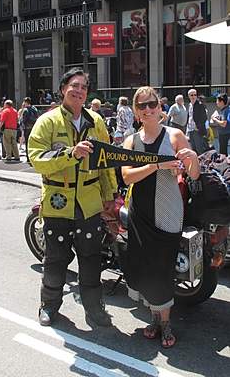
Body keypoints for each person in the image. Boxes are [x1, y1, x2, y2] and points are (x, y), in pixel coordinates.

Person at [28, 67, 118, 328]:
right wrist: (70, 153)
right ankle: (49, 306)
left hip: (89, 204)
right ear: (62, 90)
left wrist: (110, 195)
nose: (79, 91)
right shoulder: (48, 121)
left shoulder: (96, 122)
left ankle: (95, 310)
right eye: (74, 86)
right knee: (55, 261)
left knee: (91, 260)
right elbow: (36, 159)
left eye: (84, 87)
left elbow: (105, 162)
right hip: (58, 204)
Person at [121, 86, 200, 348]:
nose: (148, 109)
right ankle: (155, 319)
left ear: (160, 106)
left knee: (162, 268)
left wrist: (192, 159)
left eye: (152, 103)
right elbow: (126, 176)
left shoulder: (175, 135)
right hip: (140, 211)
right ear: (136, 111)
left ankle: (165, 323)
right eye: (142, 105)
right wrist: (156, 164)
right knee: (145, 266)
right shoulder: (131, 140)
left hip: (168, 211)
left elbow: (194, 174)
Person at [186, 88, 208, 155]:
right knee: (193, 148)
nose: (193, 97)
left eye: (195, 95)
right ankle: (196, 164)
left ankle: (202, 164)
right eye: (191, 95)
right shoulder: (189, 105)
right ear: (188, 96)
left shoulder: (200, 104)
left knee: (199, 148)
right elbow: (189, 116)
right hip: (190, 129)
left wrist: (198, 126)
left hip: (197, 130)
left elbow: (204, 117)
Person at [21, 97, 39, 163]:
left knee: (27, 143)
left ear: (25, 102)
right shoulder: (34, 108)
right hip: (34, 128)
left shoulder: (25, 110)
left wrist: (22, 126)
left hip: (27, 128)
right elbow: (37, 116)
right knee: (33, 143)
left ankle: (28, 158)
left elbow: (24, 120)